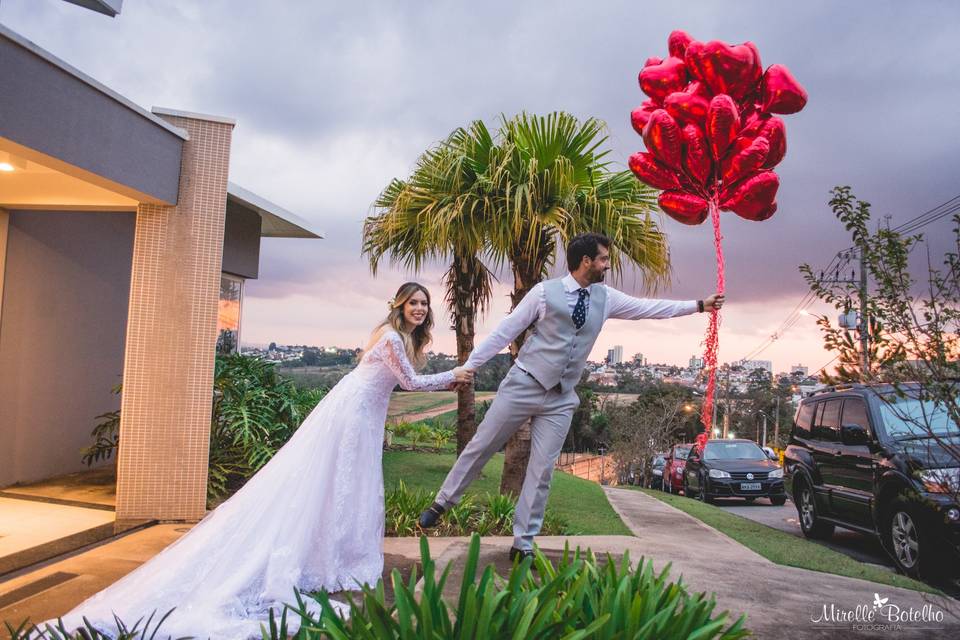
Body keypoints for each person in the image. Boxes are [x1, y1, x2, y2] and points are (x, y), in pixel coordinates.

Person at [47, 282, 472, 639]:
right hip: (355, 411)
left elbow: (402, 383)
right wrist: (455, 374)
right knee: (342, 481)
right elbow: (411, 382)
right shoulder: (393, 337)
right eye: (413, 303)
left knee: (348, 483)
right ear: (399, 306)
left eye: (424, 305)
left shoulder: (396, 336)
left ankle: (338, 559)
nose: (419, 309)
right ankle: (333, 561)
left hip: (363, 410)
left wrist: (452, 377)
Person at [419, 233, 723, 560]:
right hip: (524, 383)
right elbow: (504, 332)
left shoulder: (605, 297)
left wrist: (698, 306)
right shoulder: (544, 293)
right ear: (586, 261)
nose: (608, 264)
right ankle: (442, 503)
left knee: (542, 471)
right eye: (604, 259)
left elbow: (647, 308)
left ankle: (523, 543)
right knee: (481, 446)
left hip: (561, 398)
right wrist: (469, 367)